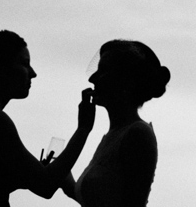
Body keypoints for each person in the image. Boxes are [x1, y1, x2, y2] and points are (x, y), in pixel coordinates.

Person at [0, 29, 95, 207]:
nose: (33, 73)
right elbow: (45, 185)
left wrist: (36, 172)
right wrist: (83, 129)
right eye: (24, 63)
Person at [64, 40, 170, 207]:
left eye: (103, 70)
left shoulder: (137, 134)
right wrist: (69, 185)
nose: (92, 78)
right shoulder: (114, 135)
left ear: (125, 80)